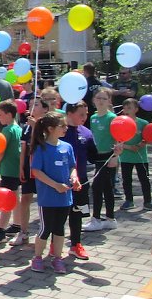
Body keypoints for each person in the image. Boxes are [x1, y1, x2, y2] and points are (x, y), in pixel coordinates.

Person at [29, 112, 78, 274]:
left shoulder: (67, 147)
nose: (66, 128)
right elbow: (36, 171)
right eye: (62, 126)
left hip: (65, 198)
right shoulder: (41, 148)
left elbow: (72, 166)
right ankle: (37, 257)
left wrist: (74, 177)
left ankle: (57, 258)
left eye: (65, 125)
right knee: (45, 228)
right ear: (50, 129)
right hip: (47, 198)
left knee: (59, 228)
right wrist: (55, 185)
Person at [61, 101, 97, 260]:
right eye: (81, 114)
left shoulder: (87, 133)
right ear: (69, 113)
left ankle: (75, 244)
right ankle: (54, 246)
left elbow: (94, 157)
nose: (84, 117)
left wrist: (114, 153)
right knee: (58, 215)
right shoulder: (58, 131)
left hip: (81, 181)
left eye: (86, 113)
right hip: (60, 182)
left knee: (77, 213)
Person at [12, 98, 51, 246]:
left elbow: (46, 144)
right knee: (25, 199)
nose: (32, 107)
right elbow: (24, 149)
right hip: (29, 167)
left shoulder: (48, 126)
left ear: (45, 109)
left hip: (43, 168)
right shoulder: (26, 126)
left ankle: (45, 231)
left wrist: (36, 127)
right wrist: (21, 167)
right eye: (31, 104)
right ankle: (23, 232)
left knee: (44, 200)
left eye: (36, 104)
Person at [84, 88, 122, 231]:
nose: (100, 101)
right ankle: (110, 219)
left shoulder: (112, 118)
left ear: (109, 101)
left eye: (104, 99)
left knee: (98, 187)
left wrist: (115, 157)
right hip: (98, 157)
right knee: (106, 188)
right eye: (98, 98)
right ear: (93, 100)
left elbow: (120, 139)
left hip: (109, 157)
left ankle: (96, 219)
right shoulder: (93, 118)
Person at [119, 98, 152, 212]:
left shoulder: (143, 123)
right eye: (125, 108)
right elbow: (118, 140)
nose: (126, 110)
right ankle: (129, 200)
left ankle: (148, 201)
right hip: (126, 156)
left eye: (129, 108)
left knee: (144, 179)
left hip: (140, 157)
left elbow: (147, 137)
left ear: (136, 109)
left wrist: (140, 144)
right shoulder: (120, 122)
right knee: (126, 179)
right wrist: (129, 147)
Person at [0, 100, 23, 244]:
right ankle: (17, 224)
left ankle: (1, 230)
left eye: (1, 114)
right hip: (15, 168)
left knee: (6, 199)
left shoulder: (7, 130)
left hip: (8, 168)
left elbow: (1, 150)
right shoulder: (18, 128)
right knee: (15, 196)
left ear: (9, 114)